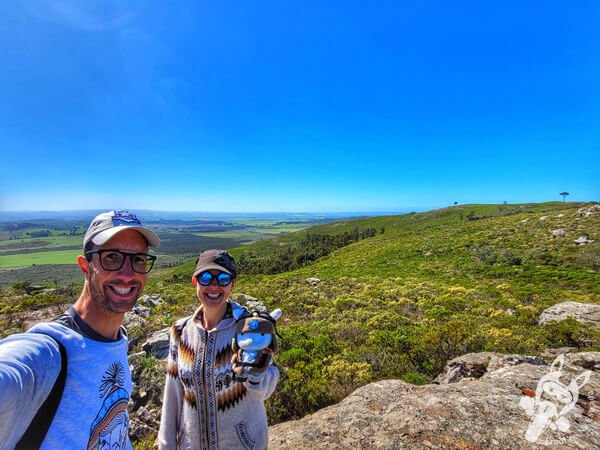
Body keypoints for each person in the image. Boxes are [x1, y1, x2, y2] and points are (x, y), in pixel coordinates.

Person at [0, 210, 160, 449]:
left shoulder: (117, 341)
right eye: (112, 257)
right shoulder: (47, 353)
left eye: (138, 259)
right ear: (85, 265)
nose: (128, 274)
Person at [158, 249, 279, 450]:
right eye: (206, 277)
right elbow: (173, 396)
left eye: (223, 279)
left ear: (232, 285)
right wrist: (166, 445)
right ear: (195, 282)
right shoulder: (180, 332)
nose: (214, 285)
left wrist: (255, 375)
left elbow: (267, 386)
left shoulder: (248, 329)